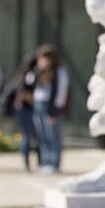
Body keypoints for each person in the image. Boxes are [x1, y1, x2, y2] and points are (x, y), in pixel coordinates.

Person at [32, 44, 69, 173]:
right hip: (38, 103)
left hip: (51, 106)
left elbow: (61, 92)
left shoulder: (59, 72)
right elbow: (30, 82)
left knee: (53, 135)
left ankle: (54, 163)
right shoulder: (37, 70)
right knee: (42, 135)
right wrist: (40, 70)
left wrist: (56, 110)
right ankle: (45, 161)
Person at [12, 55, 38, 171]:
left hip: (22, 109)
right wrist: (36, 103)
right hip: (26, 109)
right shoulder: (29, 76)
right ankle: (27, 162)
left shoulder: (23, 75)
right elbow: (25, 94)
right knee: (28, 136)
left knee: (29, 136)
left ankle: (28, 162)